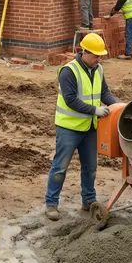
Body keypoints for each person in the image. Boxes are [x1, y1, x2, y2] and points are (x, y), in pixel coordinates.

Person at [45, 32, 118, 220]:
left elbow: (104, 92)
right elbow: (70, 100)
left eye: (100, 56)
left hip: (89, 128)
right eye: (95, 56)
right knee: (60, 167)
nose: (98, 59)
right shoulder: (69, 71)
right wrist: (95, 111)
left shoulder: (98, 69)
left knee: (90, 167)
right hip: (69, 128)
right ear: (83, 52)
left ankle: (89, 201)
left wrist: (118, 106)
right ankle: (51, 203)